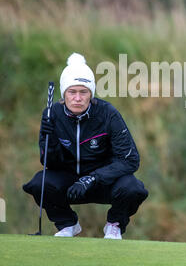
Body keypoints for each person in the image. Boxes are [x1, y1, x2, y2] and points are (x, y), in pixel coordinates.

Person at [23, 53, 148, 239]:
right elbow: (49, 162)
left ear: (91, 94)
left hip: (103, 181)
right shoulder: (52, 113)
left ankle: (114, 225)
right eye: (72, 92)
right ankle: (67, 224)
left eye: (84, 92)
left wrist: (92, 178)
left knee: (133, 187)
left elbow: (130, 160)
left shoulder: (108, 113)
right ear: (64, 94)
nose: (78, 98)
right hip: (70, 181)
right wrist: (51, 140)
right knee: (39, 183)